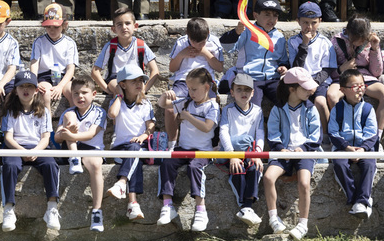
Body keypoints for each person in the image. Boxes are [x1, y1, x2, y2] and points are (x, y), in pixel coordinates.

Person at [157, 67, 219, 231]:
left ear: (206, 88)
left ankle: (200, 210)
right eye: (189, 89)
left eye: (194, 89)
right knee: (167, 163)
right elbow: (162, 104)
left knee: (194, 167)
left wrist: (187, 116)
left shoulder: (212, 107)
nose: (190, 93)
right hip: (183, 149)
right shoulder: (185, 102)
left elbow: (207, 127)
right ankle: (167, 205)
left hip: (203, 151)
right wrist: (165, 96)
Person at [0, 70, 61, 231]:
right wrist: (22, 151)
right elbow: (8, 138)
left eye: (30, 86)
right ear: (15, 90)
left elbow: (46, 138)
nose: (25, 90)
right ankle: (8, 208)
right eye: (21, 87)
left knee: (50, 165)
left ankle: (52, 207)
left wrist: (35, 151)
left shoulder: (43, 111)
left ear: (35, 90)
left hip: (38, 147)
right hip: (15, 148)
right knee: (10, 166)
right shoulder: (10, 111)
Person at [264, 67, 321, 241]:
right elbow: (273, 133)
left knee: (304, 182)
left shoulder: (311, 109)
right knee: (268, 177)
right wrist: (281, 148)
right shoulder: (278, 109)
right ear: (292, 89)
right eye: (305, 88)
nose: (310, 91)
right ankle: (273, 218)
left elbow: (316, 135)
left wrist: (303, 149)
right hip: (283, 152)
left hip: (305, 152)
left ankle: (303, 224)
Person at [53, 78, 107, 232]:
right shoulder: (68, 112)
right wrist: (67, 130)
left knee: (96, 164)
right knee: (70, 118)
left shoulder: (99, 112)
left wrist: (71, 135)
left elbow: (90, 134)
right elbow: (57, 138)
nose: (80, 96)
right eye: (76, 93)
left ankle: (97, 211)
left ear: (94, 94)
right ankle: (74, 159)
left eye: (84, 92)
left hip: (91, 149)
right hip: (70, 149)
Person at [106, 64, 155, 221]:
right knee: (135, 155)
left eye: (141, 80)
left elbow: (151, 126)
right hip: (120, 148)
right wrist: (119, 96)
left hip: (138, 146)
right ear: (123, 84)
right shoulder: (117, 102)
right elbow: (112, 114)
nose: (139, 84)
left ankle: (130, 199)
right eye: (134, 81)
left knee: (136, 156)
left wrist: (143, 136)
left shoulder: (145, 104)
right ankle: (130, 199)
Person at [327, 70, 378, 219]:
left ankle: (362, 201)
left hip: (364, 148)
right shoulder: (337, 109)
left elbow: (372, 134)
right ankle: (354, 199)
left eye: (362, 85)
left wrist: (362, 149)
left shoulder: (368, 109)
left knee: (369, 164)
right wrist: (347, 148)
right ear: (342, 90)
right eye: (355, 86)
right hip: (344, 148)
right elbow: (333, 132)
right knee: (340, 164)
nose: (360, 89)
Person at [223, 0, 289, 110]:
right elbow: (228, 47)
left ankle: (282, 127)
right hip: (250, 78)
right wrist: (236, 33)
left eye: (275, 15)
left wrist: (283, 67)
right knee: (253, 107)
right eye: (267, 14)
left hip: (273, 78)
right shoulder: (247, 32)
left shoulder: (279, 37)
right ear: (255, 15)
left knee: (286, 102)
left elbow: (283, 60)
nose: (272, 19)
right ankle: (255, 128)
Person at [165, 16, 224, 143]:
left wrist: (205, 53)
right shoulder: (181, 43)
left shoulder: (213, 42)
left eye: (202, 42)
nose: (198, 46)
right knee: (170, 107)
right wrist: (182, 55)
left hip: (205, 81)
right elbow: (172, 68)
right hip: (183, 81)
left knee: (212, 106)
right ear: (188, 35)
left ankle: (213, 143)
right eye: (194, 42)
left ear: (208, 34)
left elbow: (219, 68)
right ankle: (172, 143)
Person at [218, 72, 266, 227]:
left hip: (249, 152)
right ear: (232, 92)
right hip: (231, 150)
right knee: (237, 168)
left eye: (247, 90)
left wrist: (257, 154)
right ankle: (246, 207)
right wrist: (231, 155)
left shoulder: (257, 111)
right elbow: (223, 132)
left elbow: (260, 134)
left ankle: (246, 208)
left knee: (254, 168)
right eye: (239, 89)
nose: (243, 93)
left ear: (253, 93)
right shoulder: (228, 110)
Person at [332, 14, 384, 134]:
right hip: (342, 77)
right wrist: (342, 68)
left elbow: (376, 72)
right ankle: (338, 132)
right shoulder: (336, 41)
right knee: (332, 96)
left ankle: (376, 136)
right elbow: (330, 71)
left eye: (363, 39)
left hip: (364, 77)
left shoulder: (370, 42)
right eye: (357, 39)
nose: (360, 42)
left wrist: (375, 49)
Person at [91, 5, 159, 98]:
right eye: (119, 24)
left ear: (135, 26)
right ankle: (117, 110)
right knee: (118, 88)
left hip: (136, 78)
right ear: (114, 29)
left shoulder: (140, 45)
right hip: (116, 79)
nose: (124, 27)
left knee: (135, 89)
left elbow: (155, 70)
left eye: (127, 23)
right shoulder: (111, 46)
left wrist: (144, 90)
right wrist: (106, 89)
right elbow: (95, 71)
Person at [29, 2, 78, 106]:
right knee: (45, 93)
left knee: (73, 92)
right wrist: (34, 81)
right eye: (48, 26)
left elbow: (70, 69)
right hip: (44, 76)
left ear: (65, 25)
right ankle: (47, 121)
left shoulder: (69, 43)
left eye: (56, 27)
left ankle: (75, 119)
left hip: (63, 77)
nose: (52, 30)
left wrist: (60, 86)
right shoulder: (39, 42)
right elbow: (34, 63)